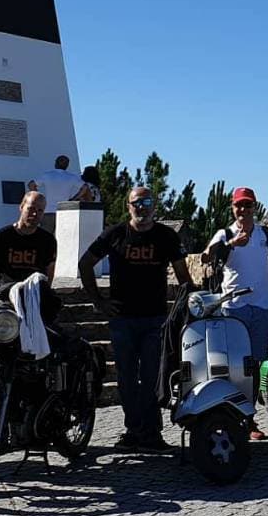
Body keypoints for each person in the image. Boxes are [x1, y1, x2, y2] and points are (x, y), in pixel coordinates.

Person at [78, 186, 192, 452]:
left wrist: (188, 306)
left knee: (153, 376)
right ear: (128, 206)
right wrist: (98, 301)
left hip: (154, 318)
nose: (141, 207)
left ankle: (151, 433)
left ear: (155, 205)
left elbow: (183, 275)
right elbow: (85, 264)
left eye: (147, 201)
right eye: (136, 202)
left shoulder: (166, 236)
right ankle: (133, 430)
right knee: (127, 378)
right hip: (122, 319)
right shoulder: (115, 234)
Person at [203, 186, 268, 440]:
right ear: (233, 208)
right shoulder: (225, 234)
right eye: (239, 205)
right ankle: (231, 416)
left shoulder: (264, 234)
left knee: (254, 364)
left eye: (247, 205)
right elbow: (206, 256)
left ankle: (249, 418)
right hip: (233, 308)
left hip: (260, 307)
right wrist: (233, 243)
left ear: (254, 207)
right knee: (234, 365)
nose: (243, 210)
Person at [0, 191, 57, 289]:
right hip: (6, 294)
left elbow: (49, 274)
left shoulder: (48, 240)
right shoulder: (2, 236)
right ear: (21, 207)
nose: (35, 214)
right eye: (31, 209)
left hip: (34, 295)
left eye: (40, 210)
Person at [28, 155, 84, 233]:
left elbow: (31, 185)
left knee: (45, 237)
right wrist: (73, 199)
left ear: (55, 163)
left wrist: (40, 198)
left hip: (48, 211)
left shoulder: (47, 175)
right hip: (65, 211)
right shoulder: (72, 177)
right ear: (67, 165)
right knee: (62, 238)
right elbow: (85, 188)